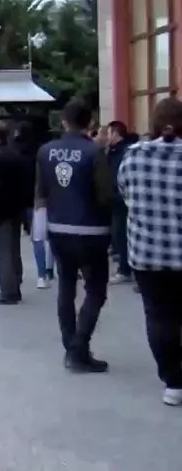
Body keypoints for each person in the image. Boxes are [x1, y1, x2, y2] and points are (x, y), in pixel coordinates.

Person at [37, 99, 114, 373]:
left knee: (66, 288)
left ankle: (71, 346)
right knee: (95, 289)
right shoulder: (95, 152)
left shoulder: (46, 151)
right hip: (92, 231)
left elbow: (42, 191)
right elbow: (106, 194)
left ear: (63, 122)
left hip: (58, 229)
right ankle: (79, 346)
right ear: (90, 122)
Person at [116, 97, 182, 406]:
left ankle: (173, 382)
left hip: (147, 254)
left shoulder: (132, 157)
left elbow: (125, 195)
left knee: (158, 317)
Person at [0, 121, 29, 304]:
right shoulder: (13, 153)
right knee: (13, 249)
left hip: (1, 210)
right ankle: (15, 282)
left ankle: (8, 291)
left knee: (4, 252)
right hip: (15, 208)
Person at [15, 121, 54, 288]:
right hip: (43, 197)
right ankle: (48, 270)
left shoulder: (14, 151)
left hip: (24, 198)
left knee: (37, 238)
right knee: (48, 236)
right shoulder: (43, 151)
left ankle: (41, 274)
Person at [106, 120, 137, 284]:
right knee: (119, 232)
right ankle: (125, 265)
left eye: (109, 133)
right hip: (118, 197)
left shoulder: (123, 152)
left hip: (121, 198)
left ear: (116, 134)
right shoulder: (115, 150)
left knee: (122, 233)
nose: (107, 137)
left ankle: (125, 269)